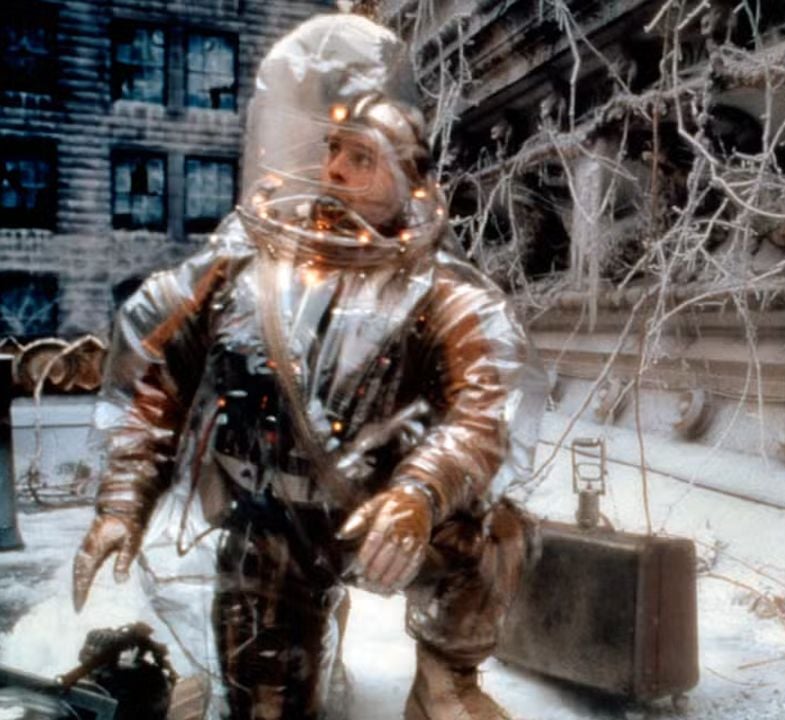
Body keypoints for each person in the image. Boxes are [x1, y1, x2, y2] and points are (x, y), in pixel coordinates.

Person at [70, 14, 543, 720]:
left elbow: (484, 408)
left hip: (383, 515)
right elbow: (153, 376)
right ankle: (298, 653)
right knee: (266, 708)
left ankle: (446, 681)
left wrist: (420, 493)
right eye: (332, 150)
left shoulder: (442, 292)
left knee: (491, 534)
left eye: (361, 159)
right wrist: (123, 500)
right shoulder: (241, 271)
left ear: (405, 179)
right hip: (271, 528)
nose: (333, 172)